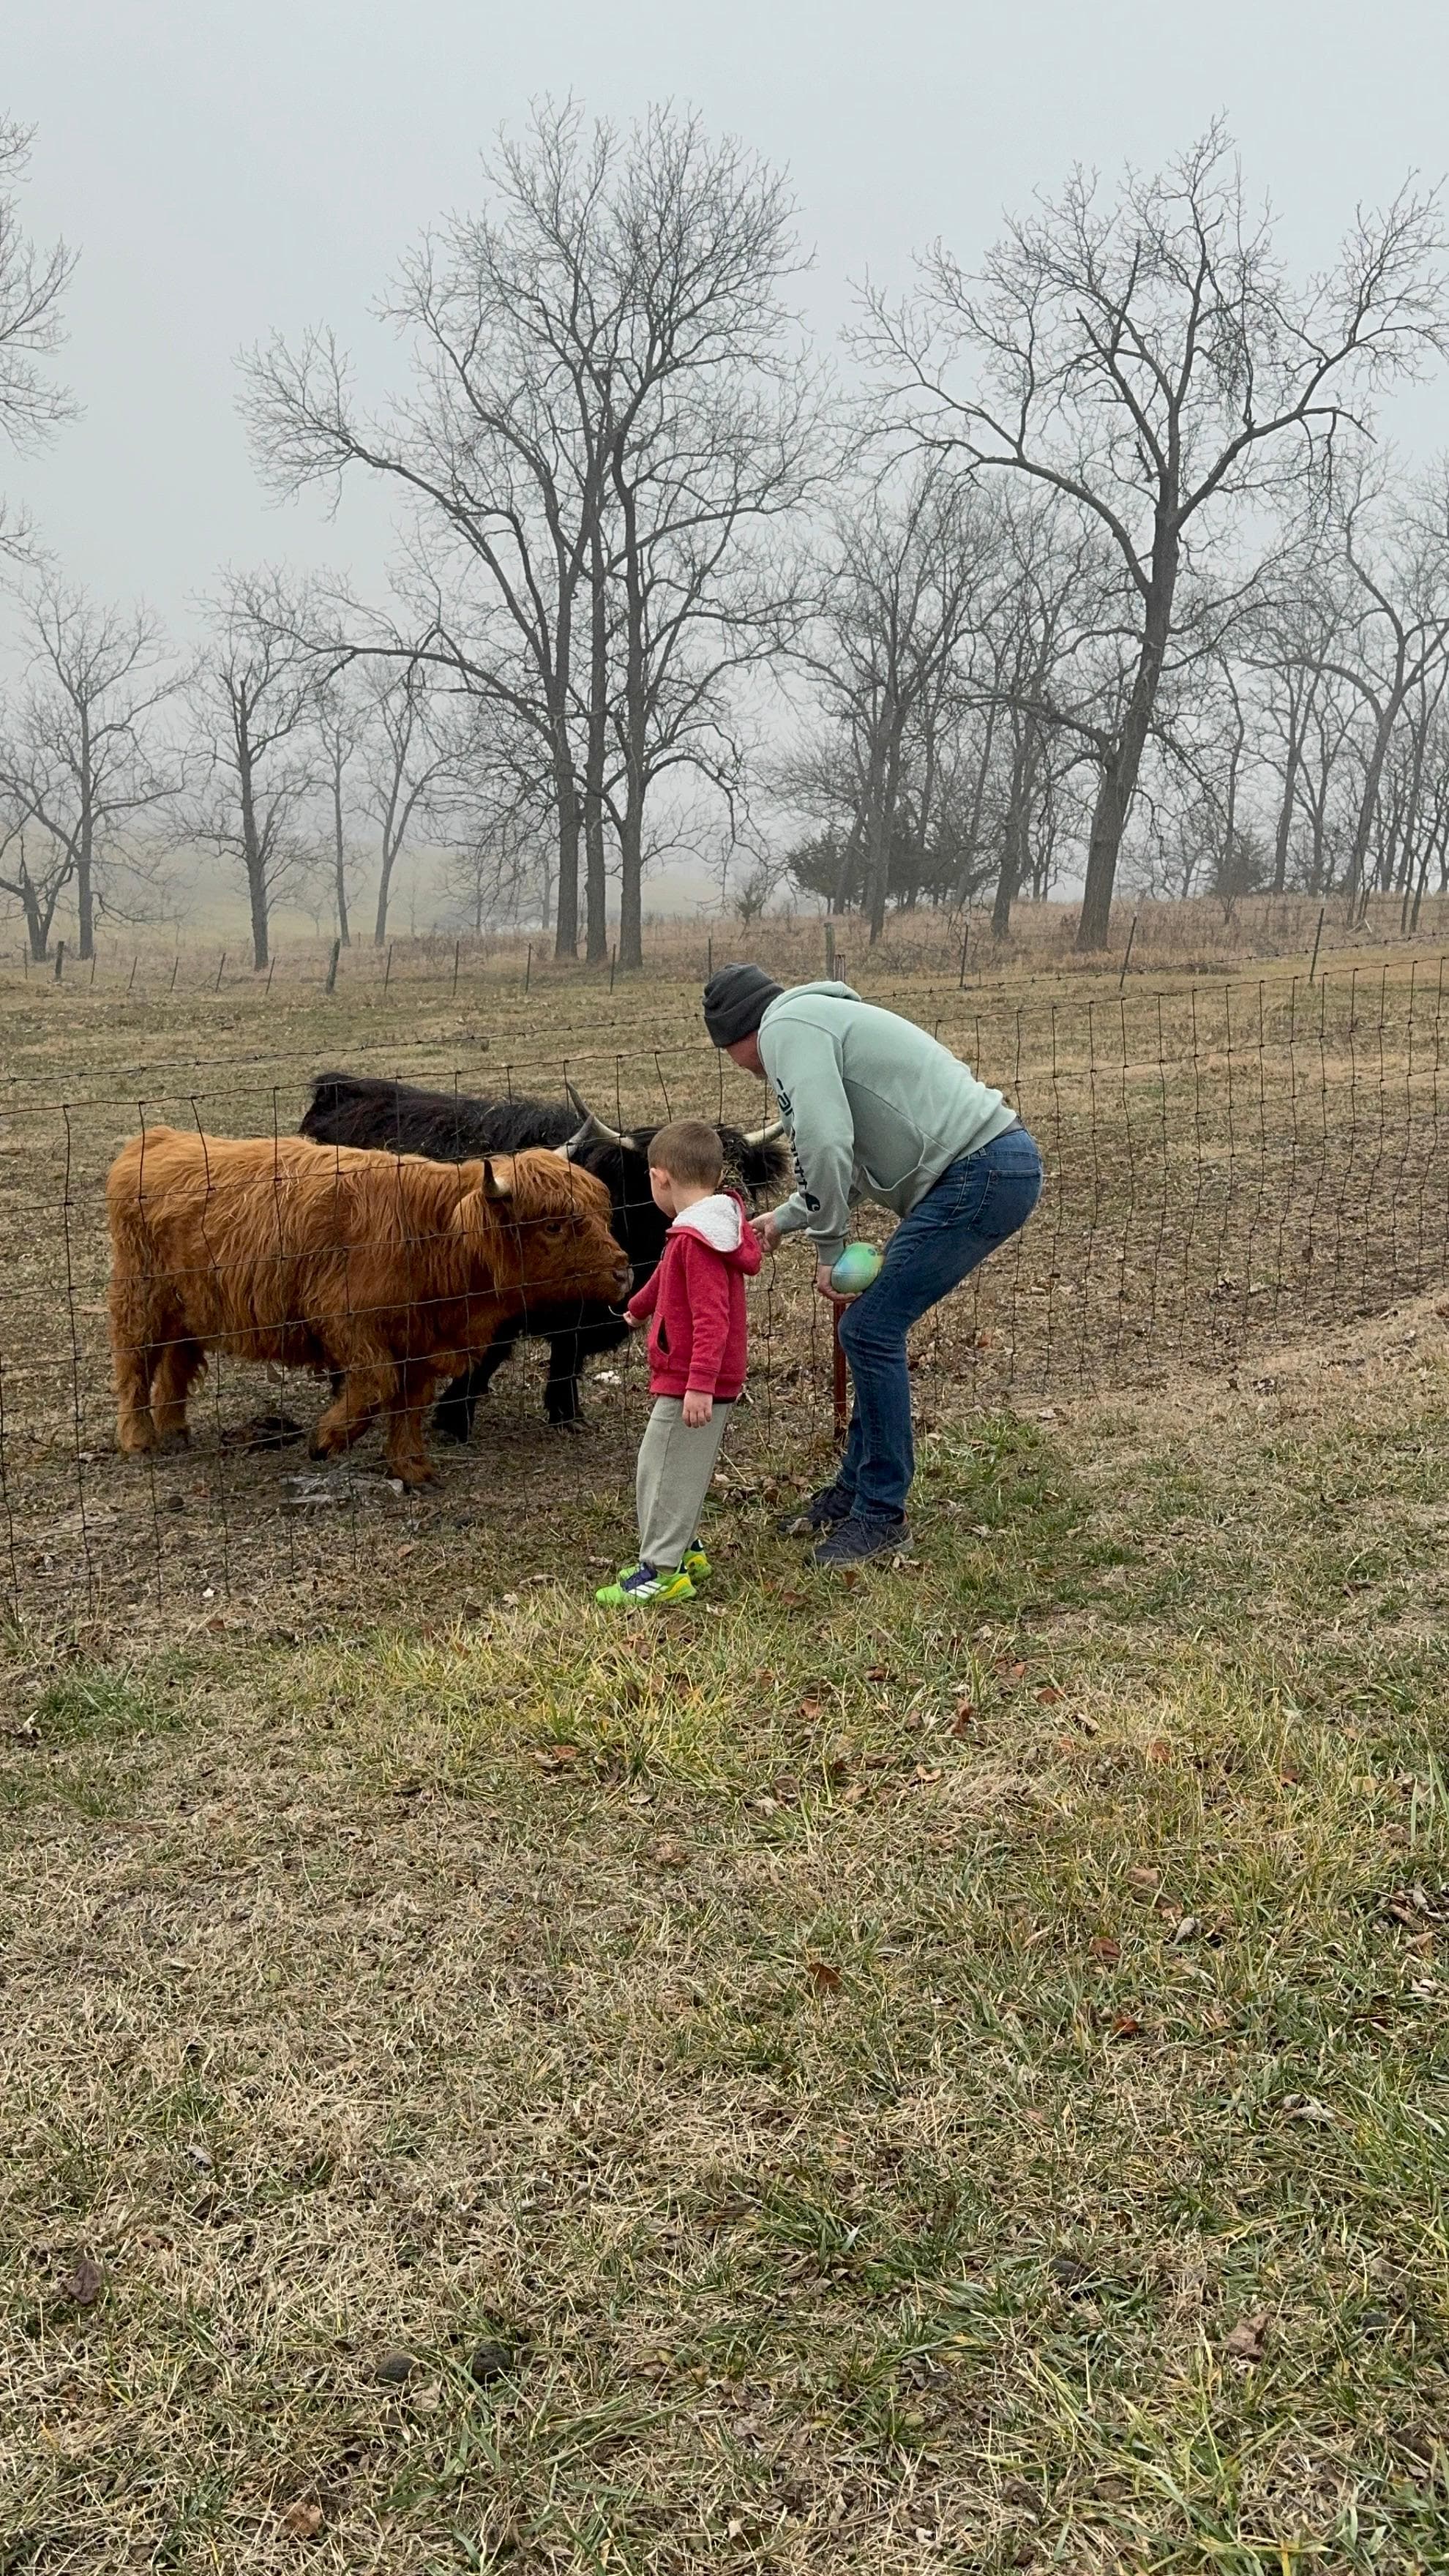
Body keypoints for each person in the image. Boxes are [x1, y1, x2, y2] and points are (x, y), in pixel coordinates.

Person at [703, 964, 1042, 1566]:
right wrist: (785, 1219)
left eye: (726, 1052)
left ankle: (881, 1516)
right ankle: (857, 1491)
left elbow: (826, 1143)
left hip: (981, 1172)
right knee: (871, 1329)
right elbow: (856, 1161)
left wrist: (830, 1249)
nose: (738, 1066)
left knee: (870, 1328)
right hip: (989, 1167)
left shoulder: (787, 1028)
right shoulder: (817, 1018)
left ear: (736, 1032)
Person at [596, 1118, 762, 1607]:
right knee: (672, 1466)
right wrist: (638, 1308)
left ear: (660, 1177)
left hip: (692, 1379)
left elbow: (713, 1318)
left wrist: (699, 1384)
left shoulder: (697, 1239)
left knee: (665, 1470)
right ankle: (686, 1550)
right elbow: (668, 1274)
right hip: (694, 1376)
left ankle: (662, 1572)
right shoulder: (705, 1227)